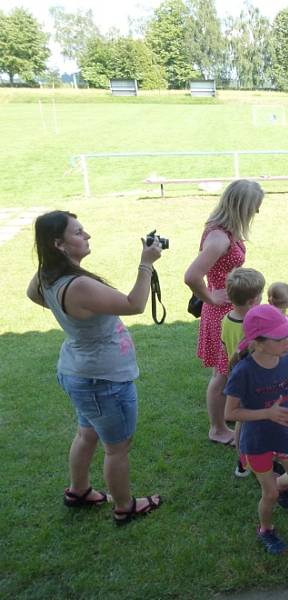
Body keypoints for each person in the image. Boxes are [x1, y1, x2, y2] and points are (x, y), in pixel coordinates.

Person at [26, 210, 163, 524]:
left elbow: (33, 294)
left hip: (79, 371)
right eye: (78, 232)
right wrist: (146, 263)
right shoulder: (77, 286)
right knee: (117, 447)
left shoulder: (48, 275)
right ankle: (125, 507)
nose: (87, 235)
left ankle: (79, 491)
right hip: (102, 380)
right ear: (59, 244)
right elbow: (135, 305)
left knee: (86, 433)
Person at [185, 180, 263, 446]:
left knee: (229, 369)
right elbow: (191, 276)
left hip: (230, 307)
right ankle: (217, 428)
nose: (257, 213)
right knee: (222, 373)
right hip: (221, 312)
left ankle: (226, 415)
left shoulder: (225, 230)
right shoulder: (219, 237)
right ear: (241, 206)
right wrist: (211, 296)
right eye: (254, 207)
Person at [223, 305, 288, 554]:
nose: (287, 341)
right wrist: (267, 414)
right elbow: (230, 413)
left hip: (282, 432)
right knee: (268, 494)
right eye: (279, 337)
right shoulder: (243, 372)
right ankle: (266, 529)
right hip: (257, 440)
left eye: (286, 334)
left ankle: (281, 485)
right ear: (257, 343)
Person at [219, 267, 266, 478]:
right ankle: (244, 460)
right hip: (251, 378)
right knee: (245, 421)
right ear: (252, 300)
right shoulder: (253, 324)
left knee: (243, 420)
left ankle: (244, 460)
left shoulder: (226, 319)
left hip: (235, 375)